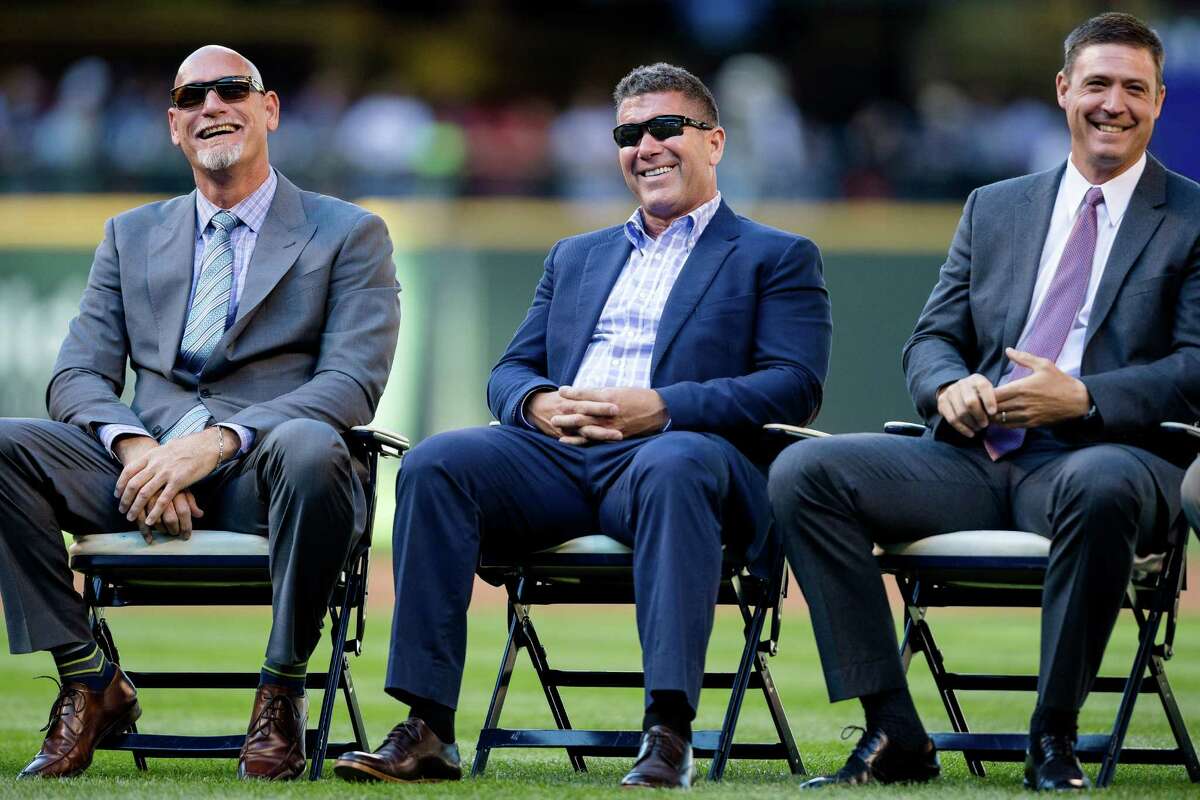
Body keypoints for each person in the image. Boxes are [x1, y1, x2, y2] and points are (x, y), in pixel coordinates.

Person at [333, 62, 831, 789]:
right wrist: (535, 402)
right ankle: (427, 729)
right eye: (629, 134)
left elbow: (795, 385)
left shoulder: (775, 255)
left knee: (674, 462)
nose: (647, 146)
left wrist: (660, 406)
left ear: (715, 142)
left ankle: (668, 732)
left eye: (667, 127)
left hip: (679, 457)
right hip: (558, 457)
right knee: (437, 462)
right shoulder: (576, 255)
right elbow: (508, 370)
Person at [769, 12, 1200, 792]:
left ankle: (1054, 737)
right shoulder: (994, 206)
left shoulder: (1193, 218)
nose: (1115, 103)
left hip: (1108, 461)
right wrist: (949, 383)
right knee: (806, 471)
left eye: (1135, 88)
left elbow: (1196, 366)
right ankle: (895, 734)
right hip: (973, 460)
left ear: (1161, 101)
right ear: (1064, 89)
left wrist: (1085, 397)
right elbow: (930, 339)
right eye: (1097, 83)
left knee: (1096, 484)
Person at [0, 45, 400, 780]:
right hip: (139, 470)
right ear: (174, 127)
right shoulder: (129, 234)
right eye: (193, 98)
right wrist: (137, 451)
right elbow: (77, 374)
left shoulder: (349, 232)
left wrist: (213, 444)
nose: (212, 105)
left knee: (317, 446)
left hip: (266, 471)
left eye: (231, 89)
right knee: (3, 444)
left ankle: (282, 690)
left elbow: (351, 382)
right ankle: (89, 677)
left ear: (269, 109)